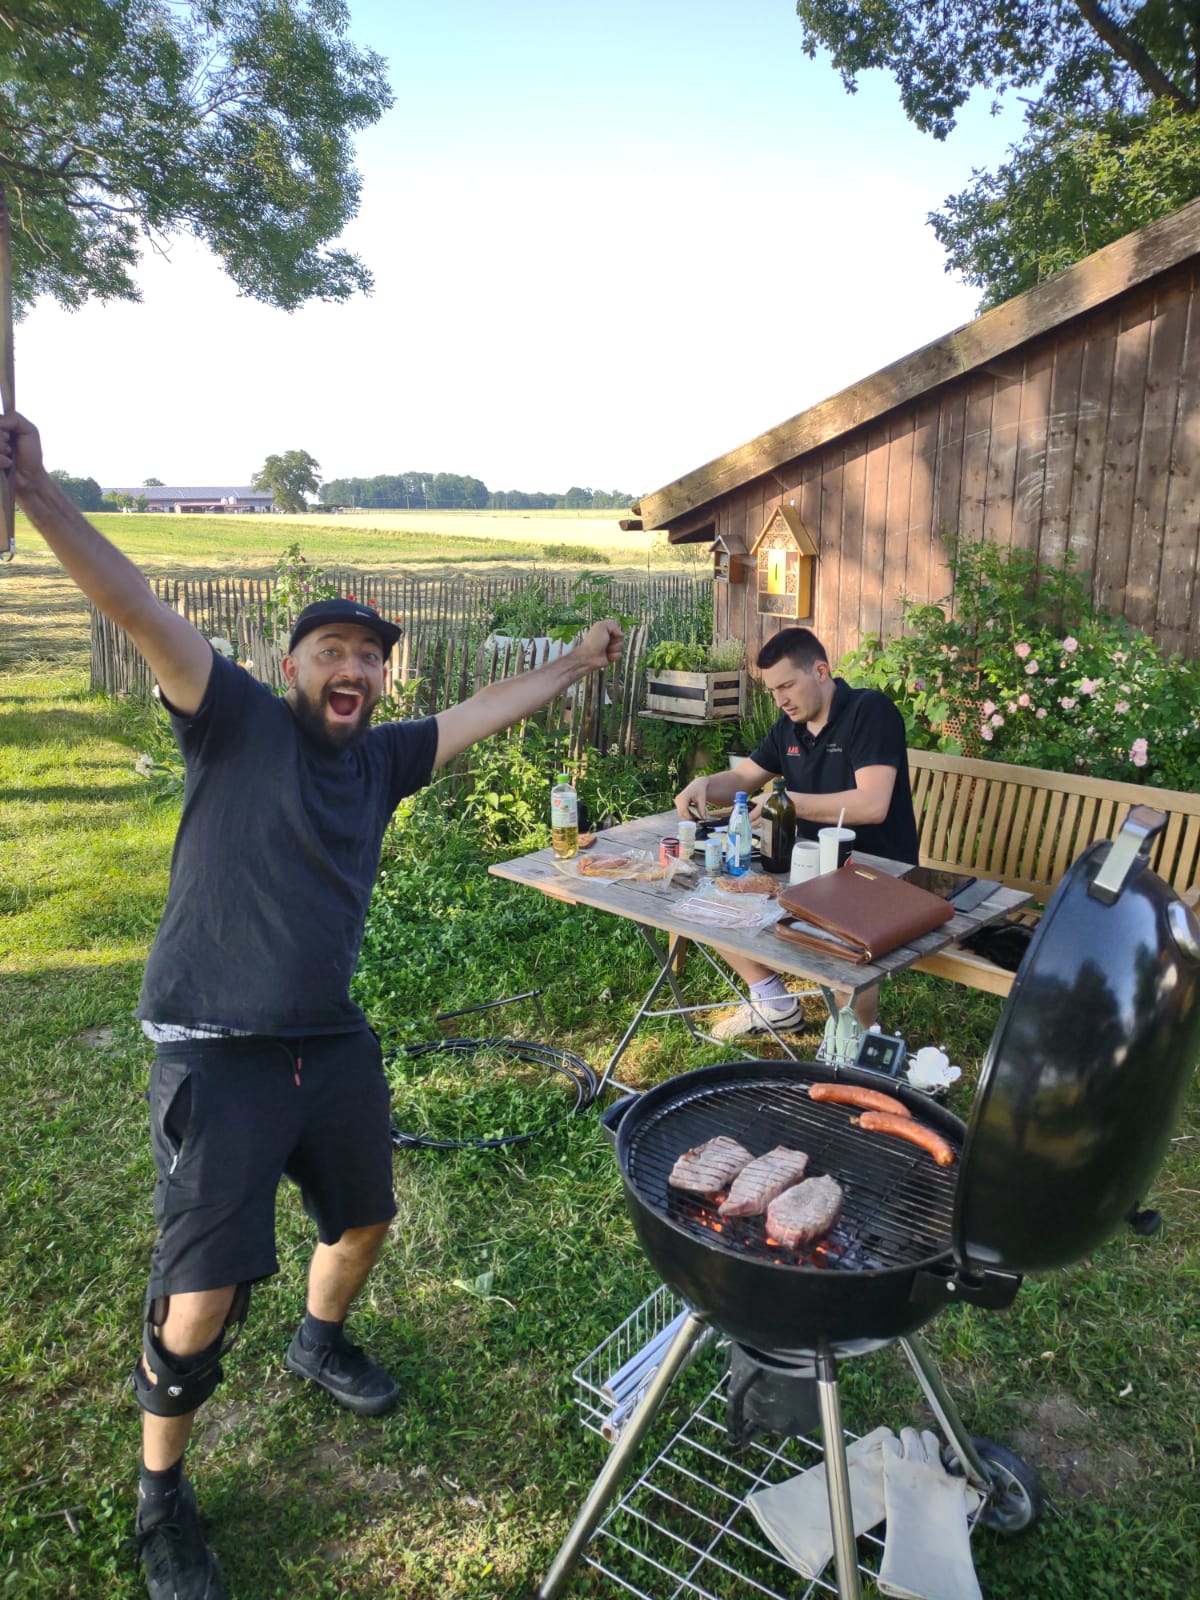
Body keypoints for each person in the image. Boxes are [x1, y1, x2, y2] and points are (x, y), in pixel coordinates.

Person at [0, 412, 624, 1600]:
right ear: (289, 667)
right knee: (202, 1292)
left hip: (326, 1037)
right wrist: (39, 496)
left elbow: (495, 705)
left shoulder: (380, 760)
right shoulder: (231, 717)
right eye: (332, 649)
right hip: (215, 1044)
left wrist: (580, 662)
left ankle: (319, 1339)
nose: (354, 667)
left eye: (370, 657)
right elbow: (137, 608)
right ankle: (161, 1494)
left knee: (366, 1217)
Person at [674, 626, 918, 1042]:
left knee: (842, 938)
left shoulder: (869, 711)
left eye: (787, 685)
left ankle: (853, 1040)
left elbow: (872, 804)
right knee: (710, 899)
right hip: (804, 870)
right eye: (773, 690)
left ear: (820, 671)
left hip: (875, 875)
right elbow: (743, 778)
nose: (780, 699)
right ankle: (773, 1001)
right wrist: (705, 784)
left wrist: (787, 801)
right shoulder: (789, 728)